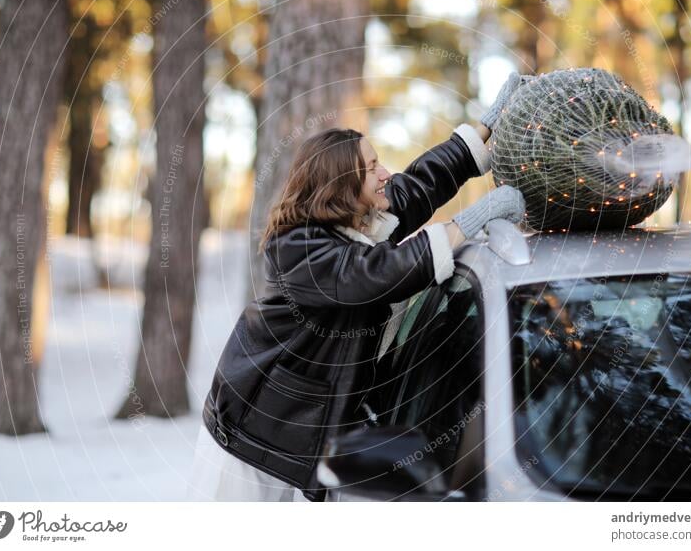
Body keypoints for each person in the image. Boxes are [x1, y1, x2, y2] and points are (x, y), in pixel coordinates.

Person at [187, 79, 527, 502]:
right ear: (340, 183)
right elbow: (379, 272)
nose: (385, 174)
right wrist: (479, 215)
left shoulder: (358, 225)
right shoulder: (300, 248)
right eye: (372, 167)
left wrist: (484, 128)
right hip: (249, 435)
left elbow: (418, 186)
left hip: (305, 428)